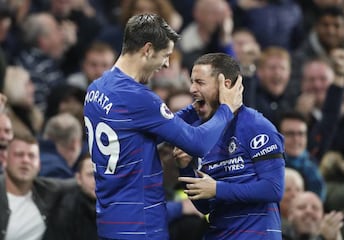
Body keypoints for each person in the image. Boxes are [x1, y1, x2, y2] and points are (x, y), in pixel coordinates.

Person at [83, 13, 243, 240]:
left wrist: (196, 106)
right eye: (165, 55)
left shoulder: (96, 89)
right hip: (142, 226)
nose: (167, 63)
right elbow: (198, 144)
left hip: (111, 221)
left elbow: (137, 136)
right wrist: (226, 108)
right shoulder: (138, 97)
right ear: (147, 49)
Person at [176, 52, 285, 240]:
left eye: (200, 82)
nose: (192, 89)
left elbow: (273, 188)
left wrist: (218, 189)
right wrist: (185, 168)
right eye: (192, 82)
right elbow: (206, 206)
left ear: (225, 85)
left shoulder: (257, 126)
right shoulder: (204, 133)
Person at [0, 133, 76, 239]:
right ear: (4, 160)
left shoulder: (47, 190)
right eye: (19, 154)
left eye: (31, 156)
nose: (25, 160)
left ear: (39, 165)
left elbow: (77, 183)